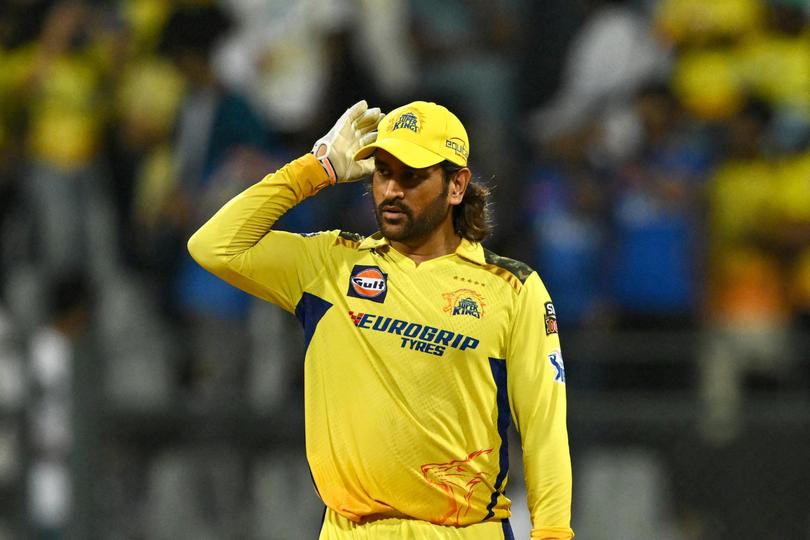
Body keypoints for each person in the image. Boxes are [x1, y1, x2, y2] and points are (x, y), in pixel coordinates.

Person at [188, 100, 574, 539]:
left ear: (456, 186)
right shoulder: (329, 265)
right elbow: (214, 246)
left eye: (412, 177)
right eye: (383, 172)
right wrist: (317, 169)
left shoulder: (512, 289)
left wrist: (553, 535)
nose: (392, 190)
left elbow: (545, 430)